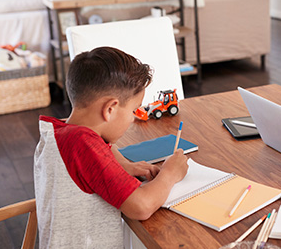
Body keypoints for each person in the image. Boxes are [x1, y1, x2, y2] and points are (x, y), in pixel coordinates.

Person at [34, 46, 189, 248]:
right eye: (133, 110)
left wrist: (123, 165)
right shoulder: (83, 144)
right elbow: (141, 207)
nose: (133, 118)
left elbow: (100, 146)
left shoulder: (62, 131)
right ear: (110, 108)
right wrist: (170, 173)